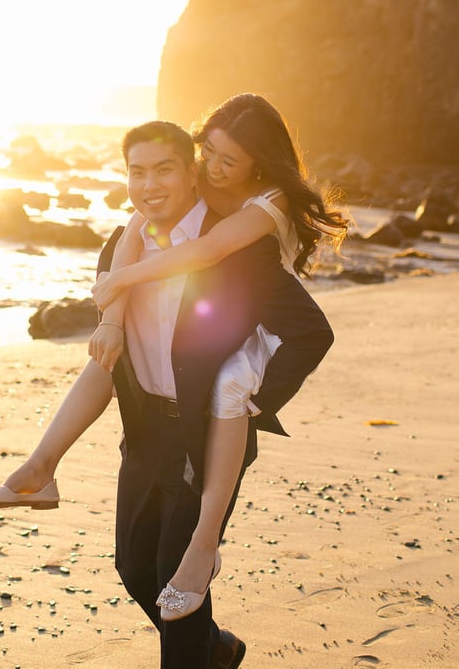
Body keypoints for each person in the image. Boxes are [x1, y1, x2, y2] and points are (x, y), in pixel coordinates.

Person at [0, 116, 334, 669]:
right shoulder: (122, 244)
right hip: (144, 436)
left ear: (192, 171)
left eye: (164, 168)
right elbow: (105, 365)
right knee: (135, 567)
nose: (150, 184)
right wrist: (42, 461)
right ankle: (213, 648)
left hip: (206, 438)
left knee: (177, 584)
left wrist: (251, 398)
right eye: (136, 171)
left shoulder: (236, 250)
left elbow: (311, 330)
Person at [89, 94, 346, 617]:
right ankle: (41, 464)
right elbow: (139, 221)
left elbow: (206, 251)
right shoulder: (205, 176)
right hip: (220, 310)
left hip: (259, 320)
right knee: (137, 564)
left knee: (231, 384)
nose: (215, 168)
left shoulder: (269, 201)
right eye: (208, 152)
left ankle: (205, 545)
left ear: (259, 161)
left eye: (230, 160)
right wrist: (114, 312)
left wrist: (124, 278)